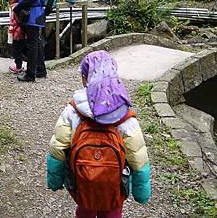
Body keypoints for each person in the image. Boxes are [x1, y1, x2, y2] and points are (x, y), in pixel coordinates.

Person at [46, 50, 151, 218]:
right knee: (112, 211)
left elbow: (58, 147)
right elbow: (137, 156)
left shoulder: (74, 110)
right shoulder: (124, 115)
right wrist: (142, 192)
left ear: (84, 78)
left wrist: (54, 181)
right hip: (113, 184)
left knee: (84, 209)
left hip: (83, 181)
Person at [8, 0, 26, 74]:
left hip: (17, 32)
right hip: (25, 31)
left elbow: (13, 21)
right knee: (24, 49)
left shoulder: (14, 8)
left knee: (17, 50)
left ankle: (18, 67)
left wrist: (11, 31)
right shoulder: (24, 6)